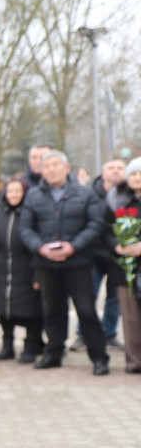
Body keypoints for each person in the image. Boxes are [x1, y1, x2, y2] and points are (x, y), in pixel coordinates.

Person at [19, 150, 110, 374]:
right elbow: (26, 228)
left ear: (67, 168)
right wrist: (41, 247)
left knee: (86, 311)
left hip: (77, 263)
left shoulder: (84, 193)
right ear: (41, 170)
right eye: (47, 166)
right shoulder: (33, 196)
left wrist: (74, 246)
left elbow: (95, 225)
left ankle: (99, 358)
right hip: (47, 265)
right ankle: (53, 353)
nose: (51, 169)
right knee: (52, 311)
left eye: (56, 165)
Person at [0, 178, 45, 362]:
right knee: (5, 311)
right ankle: (7, 346)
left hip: (27, 268)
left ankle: (30, 347)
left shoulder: (31, 214)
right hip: (5, 267)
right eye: (10, 191)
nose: (13, 195)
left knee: (31, 312)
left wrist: (37, 273)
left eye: (17, 191)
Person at [75, 157, 128, 351]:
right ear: (103, 172)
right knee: (88, 295)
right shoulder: (88, 194)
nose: (115, 171)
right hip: (92, 253)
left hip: (119, 255)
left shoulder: (130, 195)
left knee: (115, 298)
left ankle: (109, 332)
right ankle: (83, 333)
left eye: (120, 168)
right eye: (111, 168)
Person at [106, 157, 141, 374]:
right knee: (130, 317)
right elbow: (104, 228)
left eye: (140, 174)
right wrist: (116, 245)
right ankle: (134, 361)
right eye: (133, 174)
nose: (137, 178)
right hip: (124, 268)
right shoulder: (115, 201)